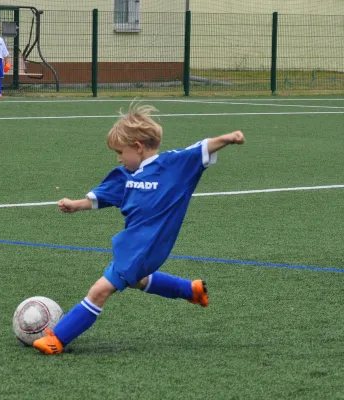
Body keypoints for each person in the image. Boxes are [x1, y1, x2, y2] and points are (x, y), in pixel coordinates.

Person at [33, 104, 245, 355]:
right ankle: (191, 290)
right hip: (135, 246)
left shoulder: (172, 165)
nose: (119, 158)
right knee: (137, 280)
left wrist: (228, 139)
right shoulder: (126, 175)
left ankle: (58, 338)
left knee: (100, 290)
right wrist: (76, 205)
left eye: (120, 152)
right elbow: (101, 196)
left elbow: (201, 148)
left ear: (137, 146)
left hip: (146, 246)